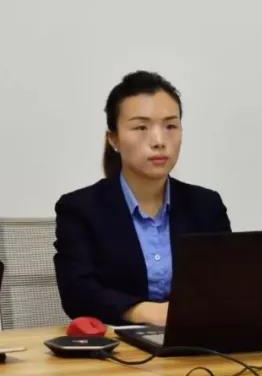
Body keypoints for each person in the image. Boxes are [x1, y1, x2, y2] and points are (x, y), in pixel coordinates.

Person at [53, 71, 231, 327]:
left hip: (194, 341)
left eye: (170, 126)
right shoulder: (80, 209)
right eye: (141, 127)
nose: (159, 141)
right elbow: (77, 294)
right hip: (118, 345)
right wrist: (144, 312)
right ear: (113, 139)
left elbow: (224, 285)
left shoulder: (206, 205)